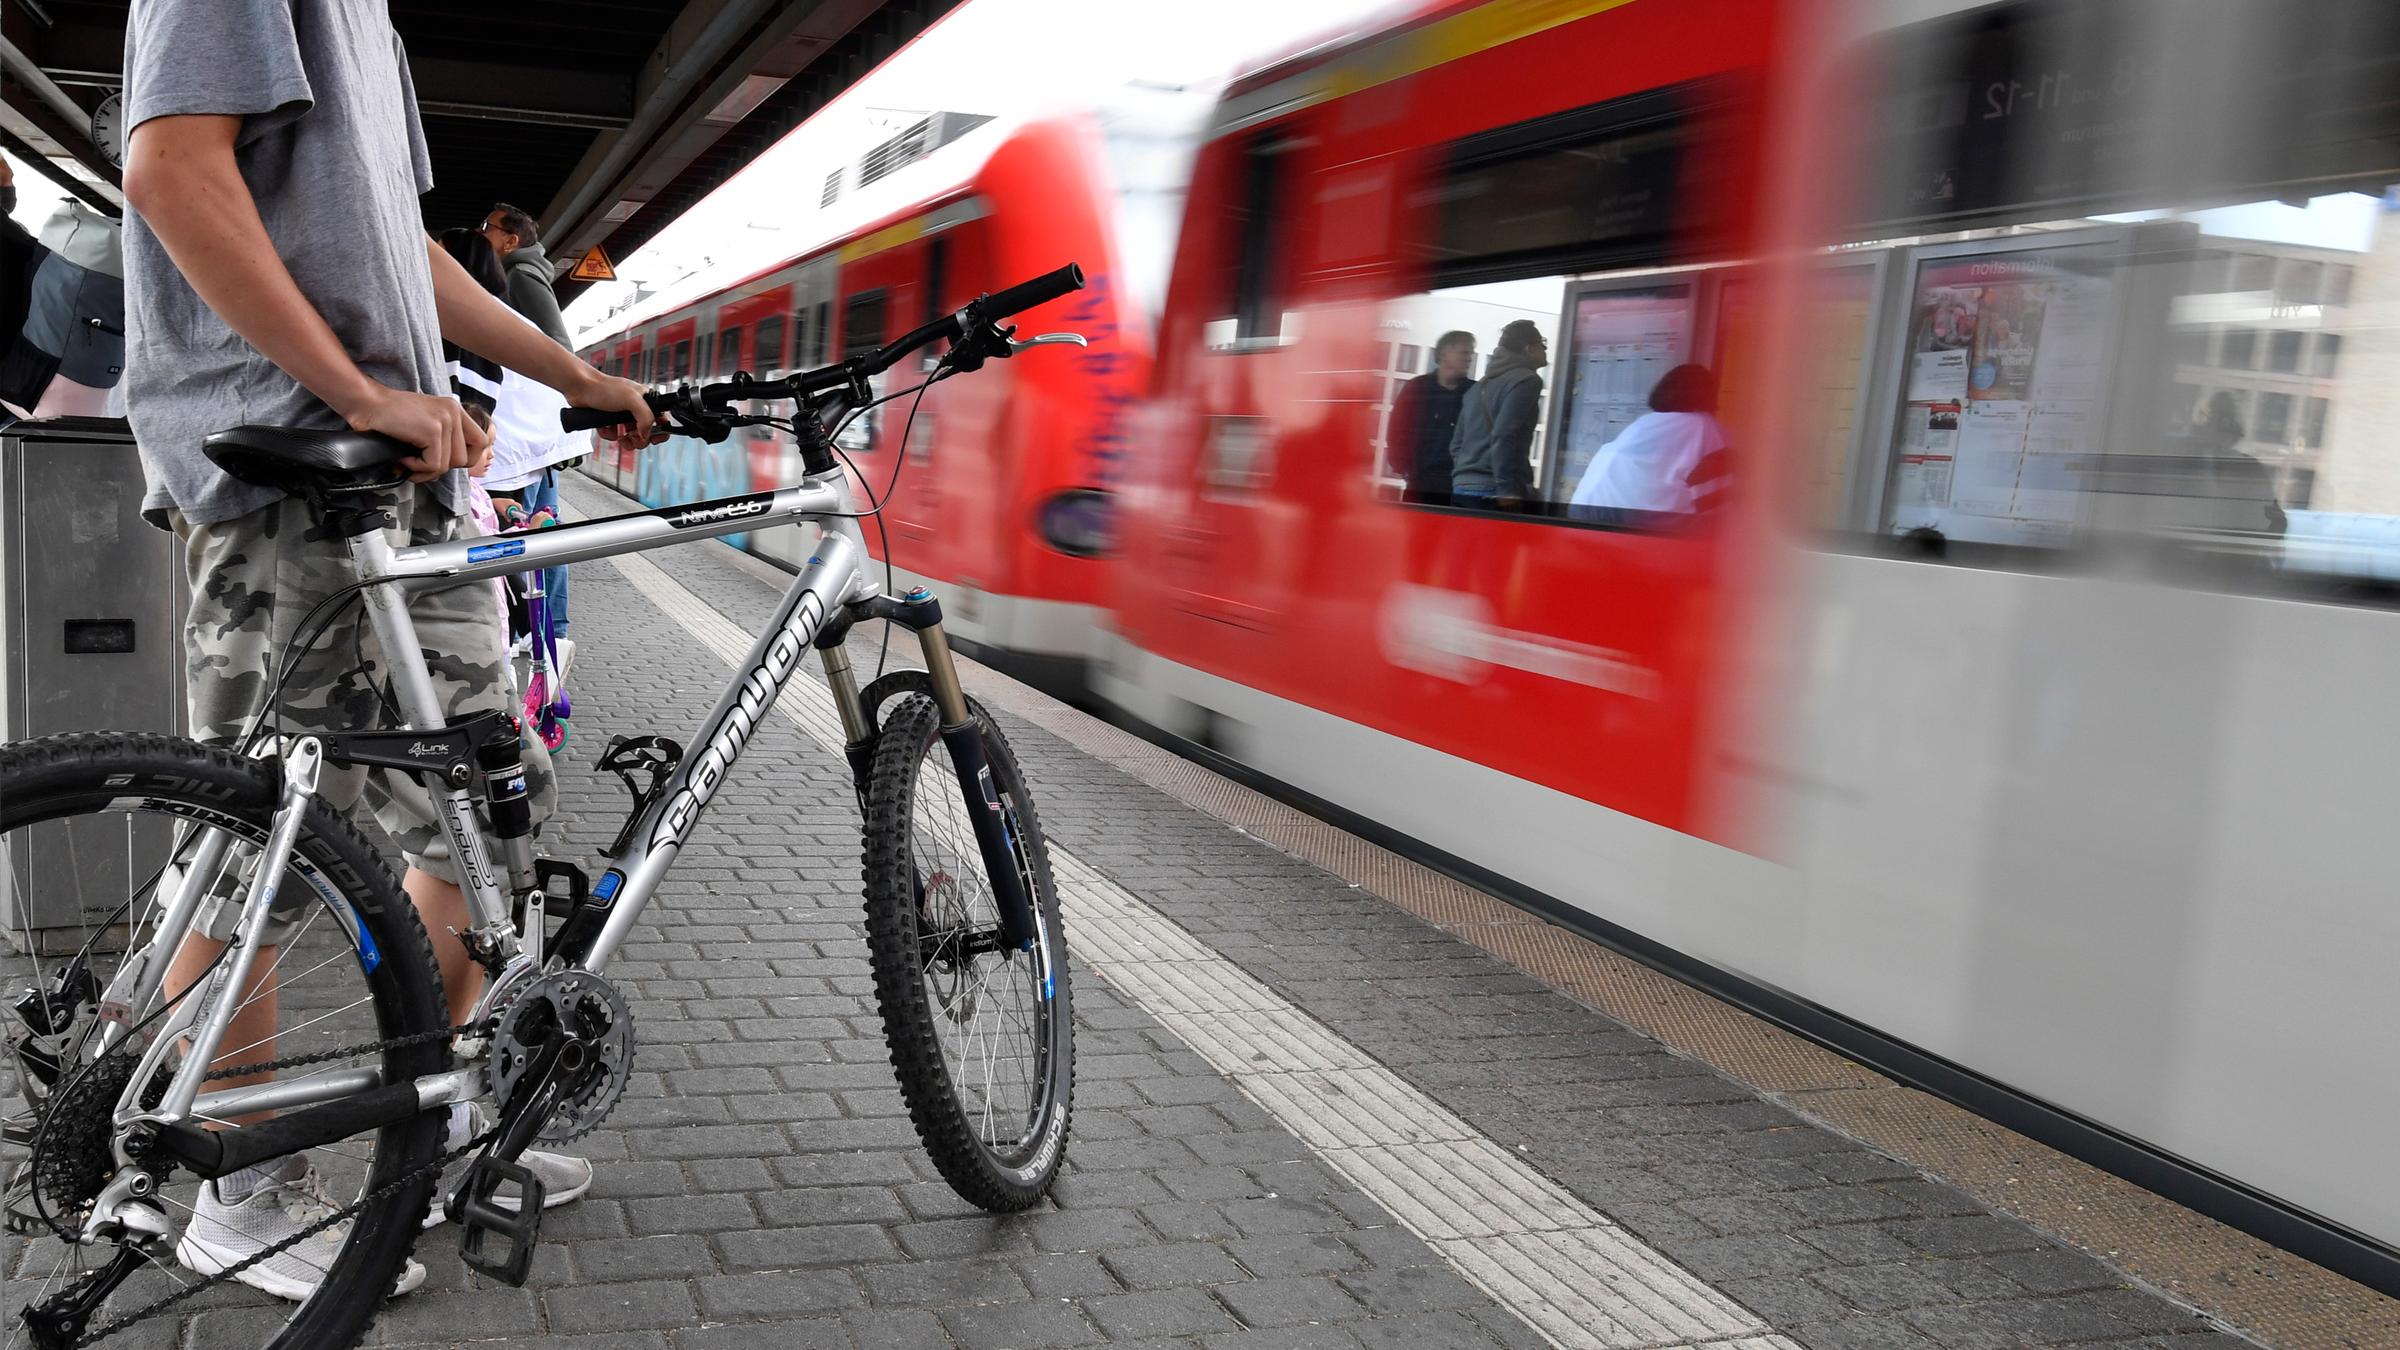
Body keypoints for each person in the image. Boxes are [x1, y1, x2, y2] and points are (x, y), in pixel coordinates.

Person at [119, 0, 651, 1300]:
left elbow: (407, 256)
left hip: (404, 480)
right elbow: (171, 165)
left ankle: (440, 1106)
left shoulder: (371, 20)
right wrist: (358, 392)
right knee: (263, 843)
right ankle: (239, 1185)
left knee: (480, 805)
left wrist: (565, 375)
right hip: (283, 461)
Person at [1569, 363, 1728, 519]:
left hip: (1580, 514)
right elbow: (1716, 504)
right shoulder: (1706, 428)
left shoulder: (1645, 423)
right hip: (1630, 526)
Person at [1449, 318, 1546, 509]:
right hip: (1494, 491)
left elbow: (1456, 445)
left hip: (1461, 488)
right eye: (1542, 344)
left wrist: (1468, 473)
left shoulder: (1478, 388)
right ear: (1529, 348)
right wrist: (1506, 489)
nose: (1545, 350)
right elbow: (1503, 434)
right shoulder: (1527, 380)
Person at [1392, 329, 1475, 502]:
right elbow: (1396, 430)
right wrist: (1406, 469)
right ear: (1445, 353)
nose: (1469, 358)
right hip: (1420, 481)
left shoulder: (1474, 393)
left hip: (1458, 485)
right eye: (1465, 352)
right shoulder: (1417, 388)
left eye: (1471, 353)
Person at [480, 201, 573, 348]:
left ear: (511, 241)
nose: (479, 232)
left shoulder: (521, 276)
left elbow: (558, 344)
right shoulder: (504, 276)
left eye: (486, 227)